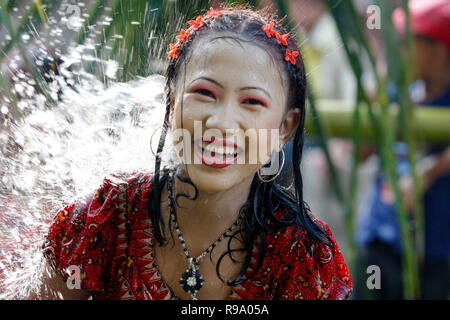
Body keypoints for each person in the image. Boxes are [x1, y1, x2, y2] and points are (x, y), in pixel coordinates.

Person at [30, 6, 352, 300]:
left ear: (285, 127)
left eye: (252, 102)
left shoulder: (302, 256)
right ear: (171, 103)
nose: (221, 123)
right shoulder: (106, 218)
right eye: (204, 93)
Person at [355, 0, 450, 300]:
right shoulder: (396, 93)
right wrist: (380, 81)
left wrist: (430, 171)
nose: (398, 56)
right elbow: (360, 153)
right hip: (381, 241)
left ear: (438, 50)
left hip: (437, 252)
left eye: (406, 46)